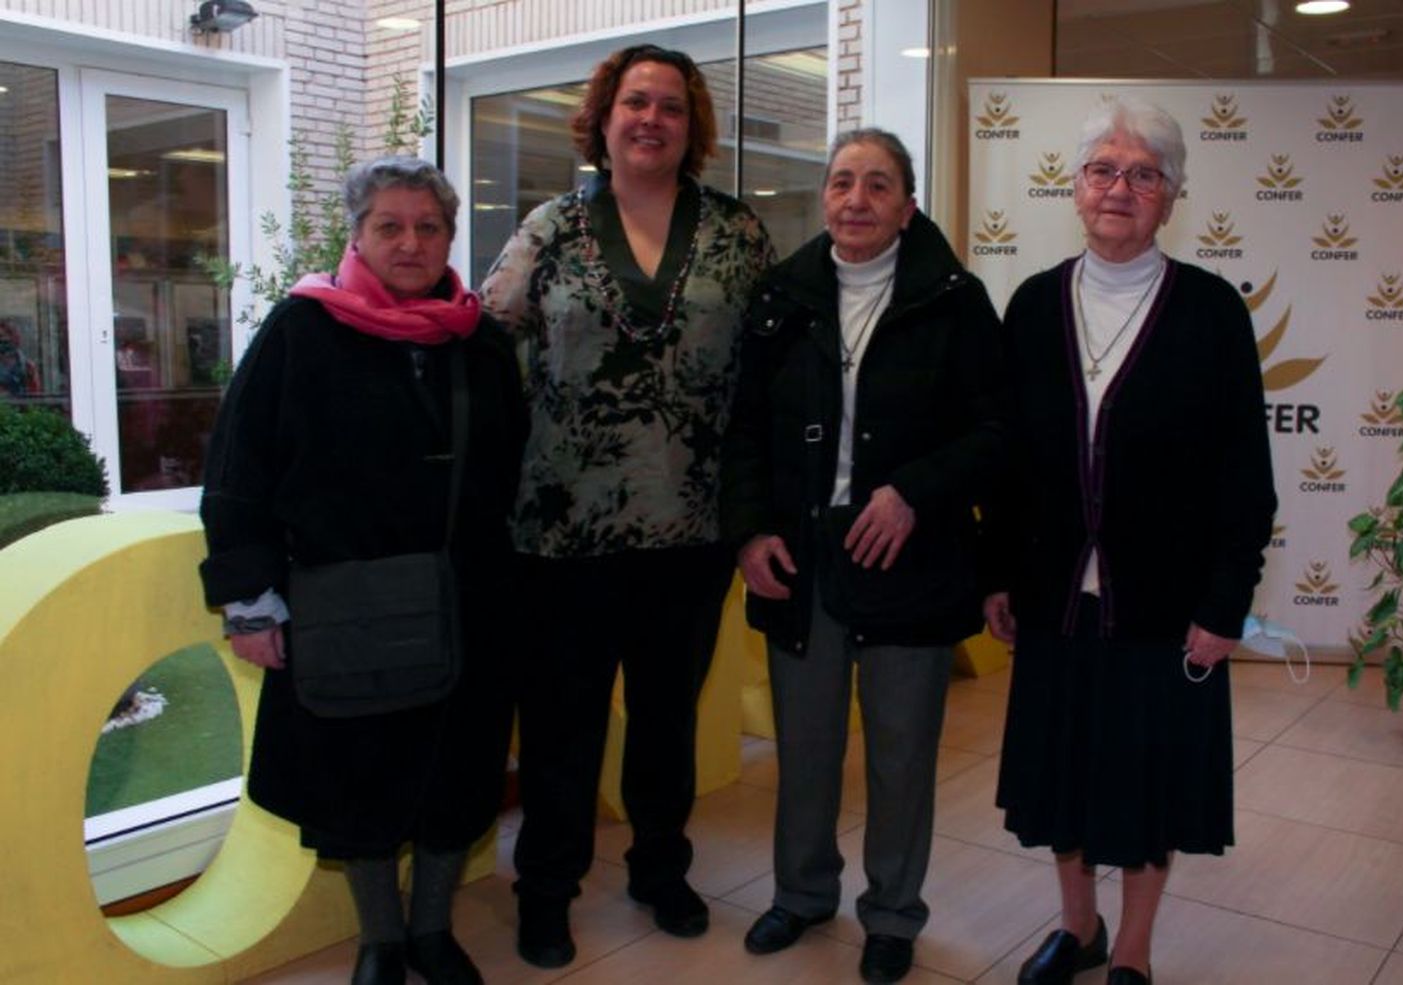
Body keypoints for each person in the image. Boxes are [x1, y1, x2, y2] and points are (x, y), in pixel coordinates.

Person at [479, 44, 774, 969]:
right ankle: (547, 888)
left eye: (672, 108)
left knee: (665, 721)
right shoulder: (550, 228)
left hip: (691, 532)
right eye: (635, 102)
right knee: (561, 723)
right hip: (562, 534)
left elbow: (771, 380)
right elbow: (484, 347)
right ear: (603, 117)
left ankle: (660, 867)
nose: (652, 119)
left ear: (693, 128)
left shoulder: (738, 235)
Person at [198, 156, 527, 985]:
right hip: (344, 606)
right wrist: (250, 604)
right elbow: (240, 469)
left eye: (427, 226)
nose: (410, 242)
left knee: (458, 774)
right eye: (390, 225)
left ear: (451, 237)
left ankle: (431, 930)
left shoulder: (480, 341)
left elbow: (514, 469)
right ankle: (380, 940)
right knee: (361, 781)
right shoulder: (300, 331)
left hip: (470, 601)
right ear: (357, 234)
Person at [984, 97, 1276, 985]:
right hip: (1054, 595)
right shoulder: (1033, 306)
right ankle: (1080, 928)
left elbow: (1245, 475)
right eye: (1104, 171)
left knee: (1149, 786)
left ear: (1171, 196)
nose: (1121, 188)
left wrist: (1225, 604)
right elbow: (1005, 461)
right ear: (1075, 189)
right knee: (1064, 775)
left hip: (1165, 603)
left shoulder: (1213, 312)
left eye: (1143, 174)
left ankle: (1135, 951)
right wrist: (998, 571)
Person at [721, 128, 1007, 984]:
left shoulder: (954, 300)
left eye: (877, 185)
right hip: (800, 554)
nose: (856, 200)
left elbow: (997, 432)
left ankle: (891, 913)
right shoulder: (780, 297)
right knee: (804, 744)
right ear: (825, 199)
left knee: (900, 746)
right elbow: (740, 431)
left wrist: (913, 489)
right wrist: (750, 531)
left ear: (908, 205)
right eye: (842, 183)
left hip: (908, 556)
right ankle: (802, 894)